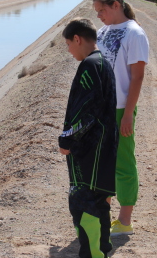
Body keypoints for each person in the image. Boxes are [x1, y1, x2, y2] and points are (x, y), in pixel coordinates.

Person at [58, 18, 118, 258]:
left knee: (84, 203)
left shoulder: (89, 66)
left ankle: (93, 254)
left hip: (89, 152)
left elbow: (88, 113)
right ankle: (102, 249)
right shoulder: (102, 62)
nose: (68, 50)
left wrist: (67, 140)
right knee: (100, 200)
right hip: (104, 148)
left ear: (77, 39)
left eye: (68, 44)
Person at [92, 0, 150, 236]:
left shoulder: (134, 34)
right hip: (100, 109)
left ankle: (125, 221)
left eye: (101, 9)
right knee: (101, 164)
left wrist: (128, 114)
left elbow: (137, 78)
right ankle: (103, 216)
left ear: (116, 5)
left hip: (119, 110)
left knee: (123, 163)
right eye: (96, 11)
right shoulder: (103, 31)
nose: (98, 15)